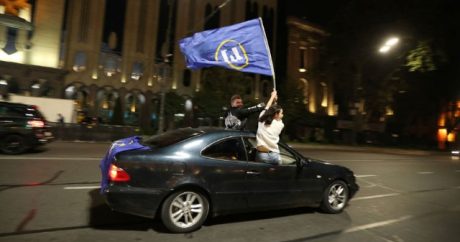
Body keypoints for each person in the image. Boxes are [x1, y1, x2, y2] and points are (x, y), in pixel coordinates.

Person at [255, 90, 284, 165]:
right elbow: (273, 111)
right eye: (281, 113)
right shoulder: (280, 125)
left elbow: (268, 108)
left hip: (262, 155)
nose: (282, 115)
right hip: (275, 155)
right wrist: (275, 101)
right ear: (276, 115)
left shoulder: (262, 120)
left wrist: (272, 97)